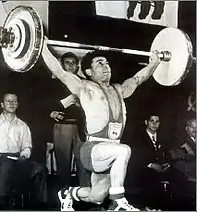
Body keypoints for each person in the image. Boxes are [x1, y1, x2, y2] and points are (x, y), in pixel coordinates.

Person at [42, 38, 161, 211]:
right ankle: (119, 202)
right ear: (89, 71)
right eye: (100, 63)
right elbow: (59, 72)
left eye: (106, 63)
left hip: (111, 152)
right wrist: (42, 47)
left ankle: (68, 193)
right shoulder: (85, 87)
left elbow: (138, 78)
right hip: (93, 149)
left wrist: (155, 63)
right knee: (125, 150)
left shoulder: (119, 89)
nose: (106, 66)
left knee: (97, 197)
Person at [0, 93, 47, 210]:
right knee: (6, 165)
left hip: (17, 159)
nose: (11, 104)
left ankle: (39, 206)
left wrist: (24, 156)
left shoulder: (22, 125)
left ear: (18, 105)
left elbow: (26, 146)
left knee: (39, 169)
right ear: (2, 104)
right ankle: (1, 204)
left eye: (14, 101)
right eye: (8, 101)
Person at [49, 52, 88, 187]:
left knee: (83, 162)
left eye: (73, 63)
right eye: (67, 62)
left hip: (81, 128)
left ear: (77, 65)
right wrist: (66, 102)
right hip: (63, 126)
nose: (71, 65)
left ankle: (85, 195)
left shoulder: (83, 82)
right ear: (62, 65)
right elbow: (49, 104)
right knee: (63, 163)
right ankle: (64, 195)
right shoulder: (54, 83)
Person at [127, 115, 171, 209]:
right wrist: (150, 165)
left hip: (162, 171)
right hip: (143, 172)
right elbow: (134, 157)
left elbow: (168, 153)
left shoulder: (164, 136)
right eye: (152, 121)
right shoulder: (137, 137)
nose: (155, 124)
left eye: (157, 121)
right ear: (146, 122)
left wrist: (167, 163)